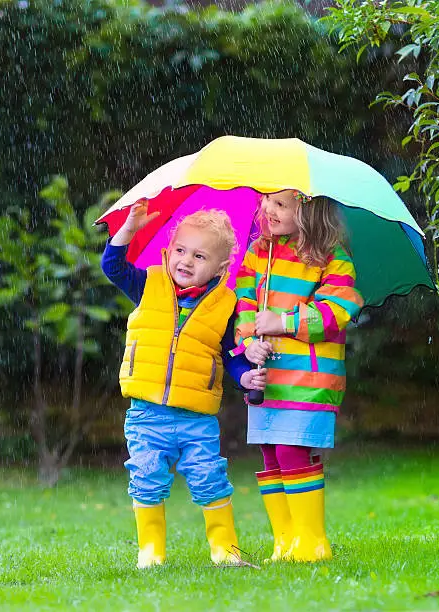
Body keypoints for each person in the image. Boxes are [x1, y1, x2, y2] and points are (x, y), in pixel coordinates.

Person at [102, 201, 266, 569]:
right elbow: (111, 266)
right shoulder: (149, 285)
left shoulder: (226, 306)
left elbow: (231, 355)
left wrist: (245, 377)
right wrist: (129, 228)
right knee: (146, 478)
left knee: (210, 477)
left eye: (199, 256)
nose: (186, 261)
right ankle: (151, 552)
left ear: (221, 268)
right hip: (147, 413)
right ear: (168, 249)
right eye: (180, 250)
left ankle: (225, 550)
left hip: (197, 419)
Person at [234, 190, 364, 563]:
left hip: (309, 377)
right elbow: (244, 305)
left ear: (307, 212)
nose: (266, 209)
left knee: (292, 448)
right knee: (271, 451)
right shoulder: (259, 252)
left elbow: (336, 312)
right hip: (267, 376)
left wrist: (283, 322)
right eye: (266, 201)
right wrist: (248, 345)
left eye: (279, 204)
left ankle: (313, 541)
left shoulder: (332, 260)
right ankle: (286, 541)